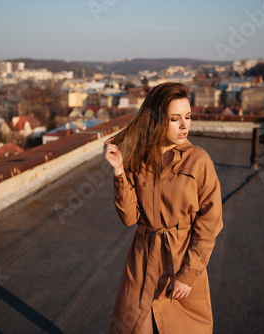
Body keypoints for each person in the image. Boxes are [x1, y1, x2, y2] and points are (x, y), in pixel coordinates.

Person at [103, 82, 224, 334]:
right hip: (142, 262)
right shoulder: (138, 158)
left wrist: (188, 275)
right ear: (158, 120)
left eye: (188, 117)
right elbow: (129, 218)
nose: (184, 125)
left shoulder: (199, 161)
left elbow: (209, 224)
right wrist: (119, 171)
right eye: (174, 119)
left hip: (181, 262)